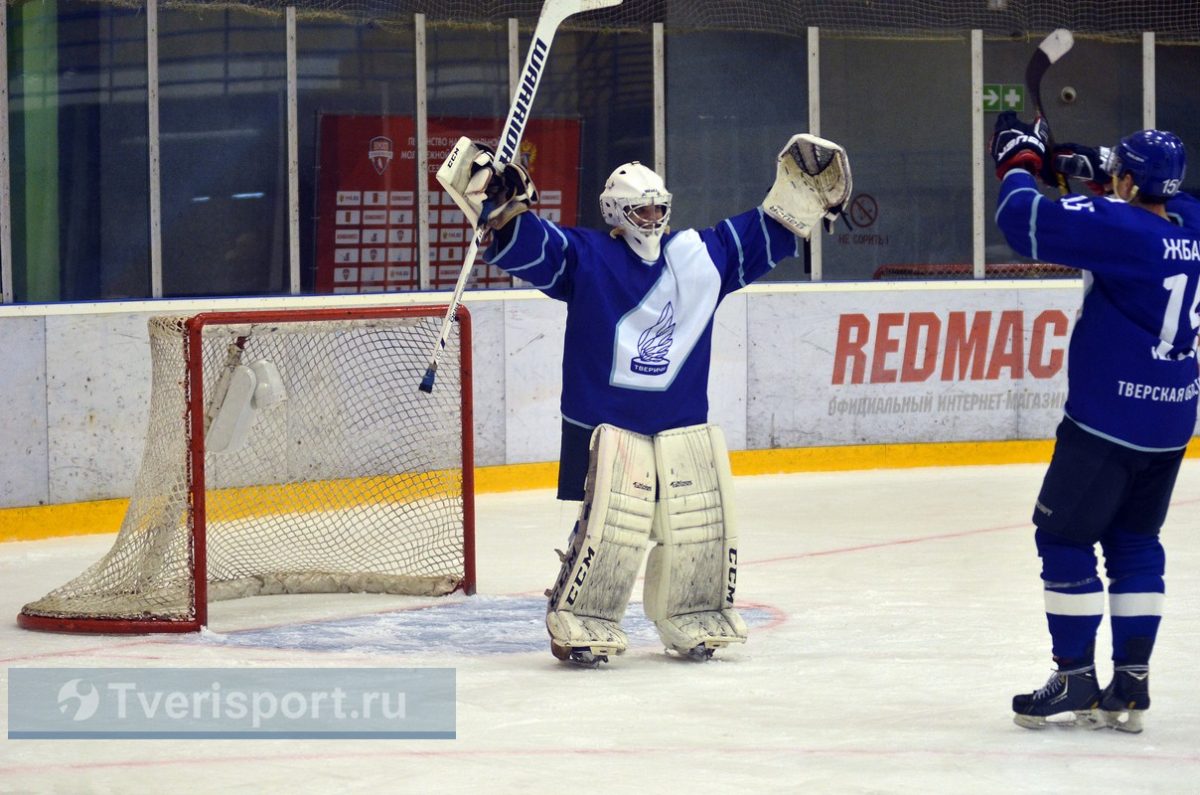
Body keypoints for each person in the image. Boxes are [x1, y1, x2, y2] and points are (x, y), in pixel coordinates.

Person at [437, 134, 851, 665]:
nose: (653, 216)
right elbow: (533, 243)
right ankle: (579, 619)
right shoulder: (588, 257)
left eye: (660, 206)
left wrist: (804, 195)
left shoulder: (698, 256)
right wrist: (499, 202)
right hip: (606, 426)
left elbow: (764, 229)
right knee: (613, 530)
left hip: (680, 425)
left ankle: (692, 614)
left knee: (699, 526)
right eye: (641, 208)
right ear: (616, 211)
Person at [990, 111, 1200, 732]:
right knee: (1135, 542)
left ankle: (1076, 676)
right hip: (1171, 423)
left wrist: (1023, 162)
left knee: (1061, 538)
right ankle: (1130, 684)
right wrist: (1097, 166)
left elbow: (1019, 222)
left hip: (1106, 420)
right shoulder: (1191, 222)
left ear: (1129, 186)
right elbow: (1167, 197)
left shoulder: (1118, 226)